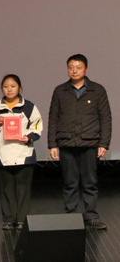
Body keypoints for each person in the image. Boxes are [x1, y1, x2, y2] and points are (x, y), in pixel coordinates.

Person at [48, 54, 112, 230]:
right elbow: (53, 118)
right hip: (66, 142)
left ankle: (91, 215)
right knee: (70, 182)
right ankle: (71, 215)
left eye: (78, 67)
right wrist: (52, 144)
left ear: (86, 69)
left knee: (90, 181)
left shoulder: (97, 90)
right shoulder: (60, 91)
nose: (74, 71)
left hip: (90, 143)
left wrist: (104, 143)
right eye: (71, 67)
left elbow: (105, 118)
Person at [0, 74, 43, 230]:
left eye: (13, 86)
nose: (9, 89)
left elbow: (37, 127)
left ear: (19, 88)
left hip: (24, 153)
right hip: (3, 153)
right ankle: (8, 220)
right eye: (5, 87)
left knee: (23, 189)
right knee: (6, 188)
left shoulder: (29, 107)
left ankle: (22, 220)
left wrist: (28, 137)